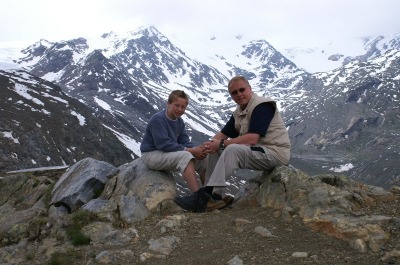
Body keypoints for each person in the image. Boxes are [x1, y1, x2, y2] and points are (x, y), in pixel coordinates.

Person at [174, 76, 291, 212]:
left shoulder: (262, 106)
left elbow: (252, 138)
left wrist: (221, 144)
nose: (239, 94)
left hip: (275, 153)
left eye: (242, 90)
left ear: (250, 89)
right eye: (234, 93)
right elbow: (223, 134)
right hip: (260, 151)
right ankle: (214, 197)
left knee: (232, 149)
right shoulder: (239, 111)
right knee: (215, 149)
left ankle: (205, 197)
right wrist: (208, 146)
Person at [140, 90, 225, 212]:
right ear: (168, 104)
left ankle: (210, 195)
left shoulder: (179, 121)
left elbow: (184, 140)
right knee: (185, 156)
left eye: (183, 107)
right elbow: (163, 144)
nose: (180, 109)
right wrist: (191, 150)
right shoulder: (158, 119)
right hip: (151, 154)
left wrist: (198, 150)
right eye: (177, 105)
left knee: (203, 159)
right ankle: (197, 199)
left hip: (164, 153)